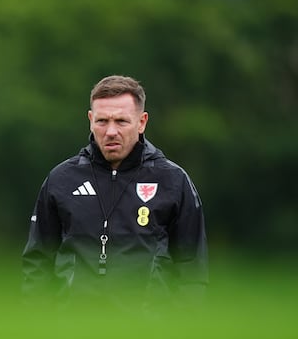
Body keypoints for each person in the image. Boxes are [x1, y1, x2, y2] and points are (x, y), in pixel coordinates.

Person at [22, 75, 207, 314]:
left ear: (142, 122)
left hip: (147, 334)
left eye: (121, 121)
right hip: (74, 331)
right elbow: (38, 261)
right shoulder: (62, 179)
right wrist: (41, 324)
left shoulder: (172, 181)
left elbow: (191, 269)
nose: (110, 131)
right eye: (102, 121)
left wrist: (178, 332)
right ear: (90, 120)